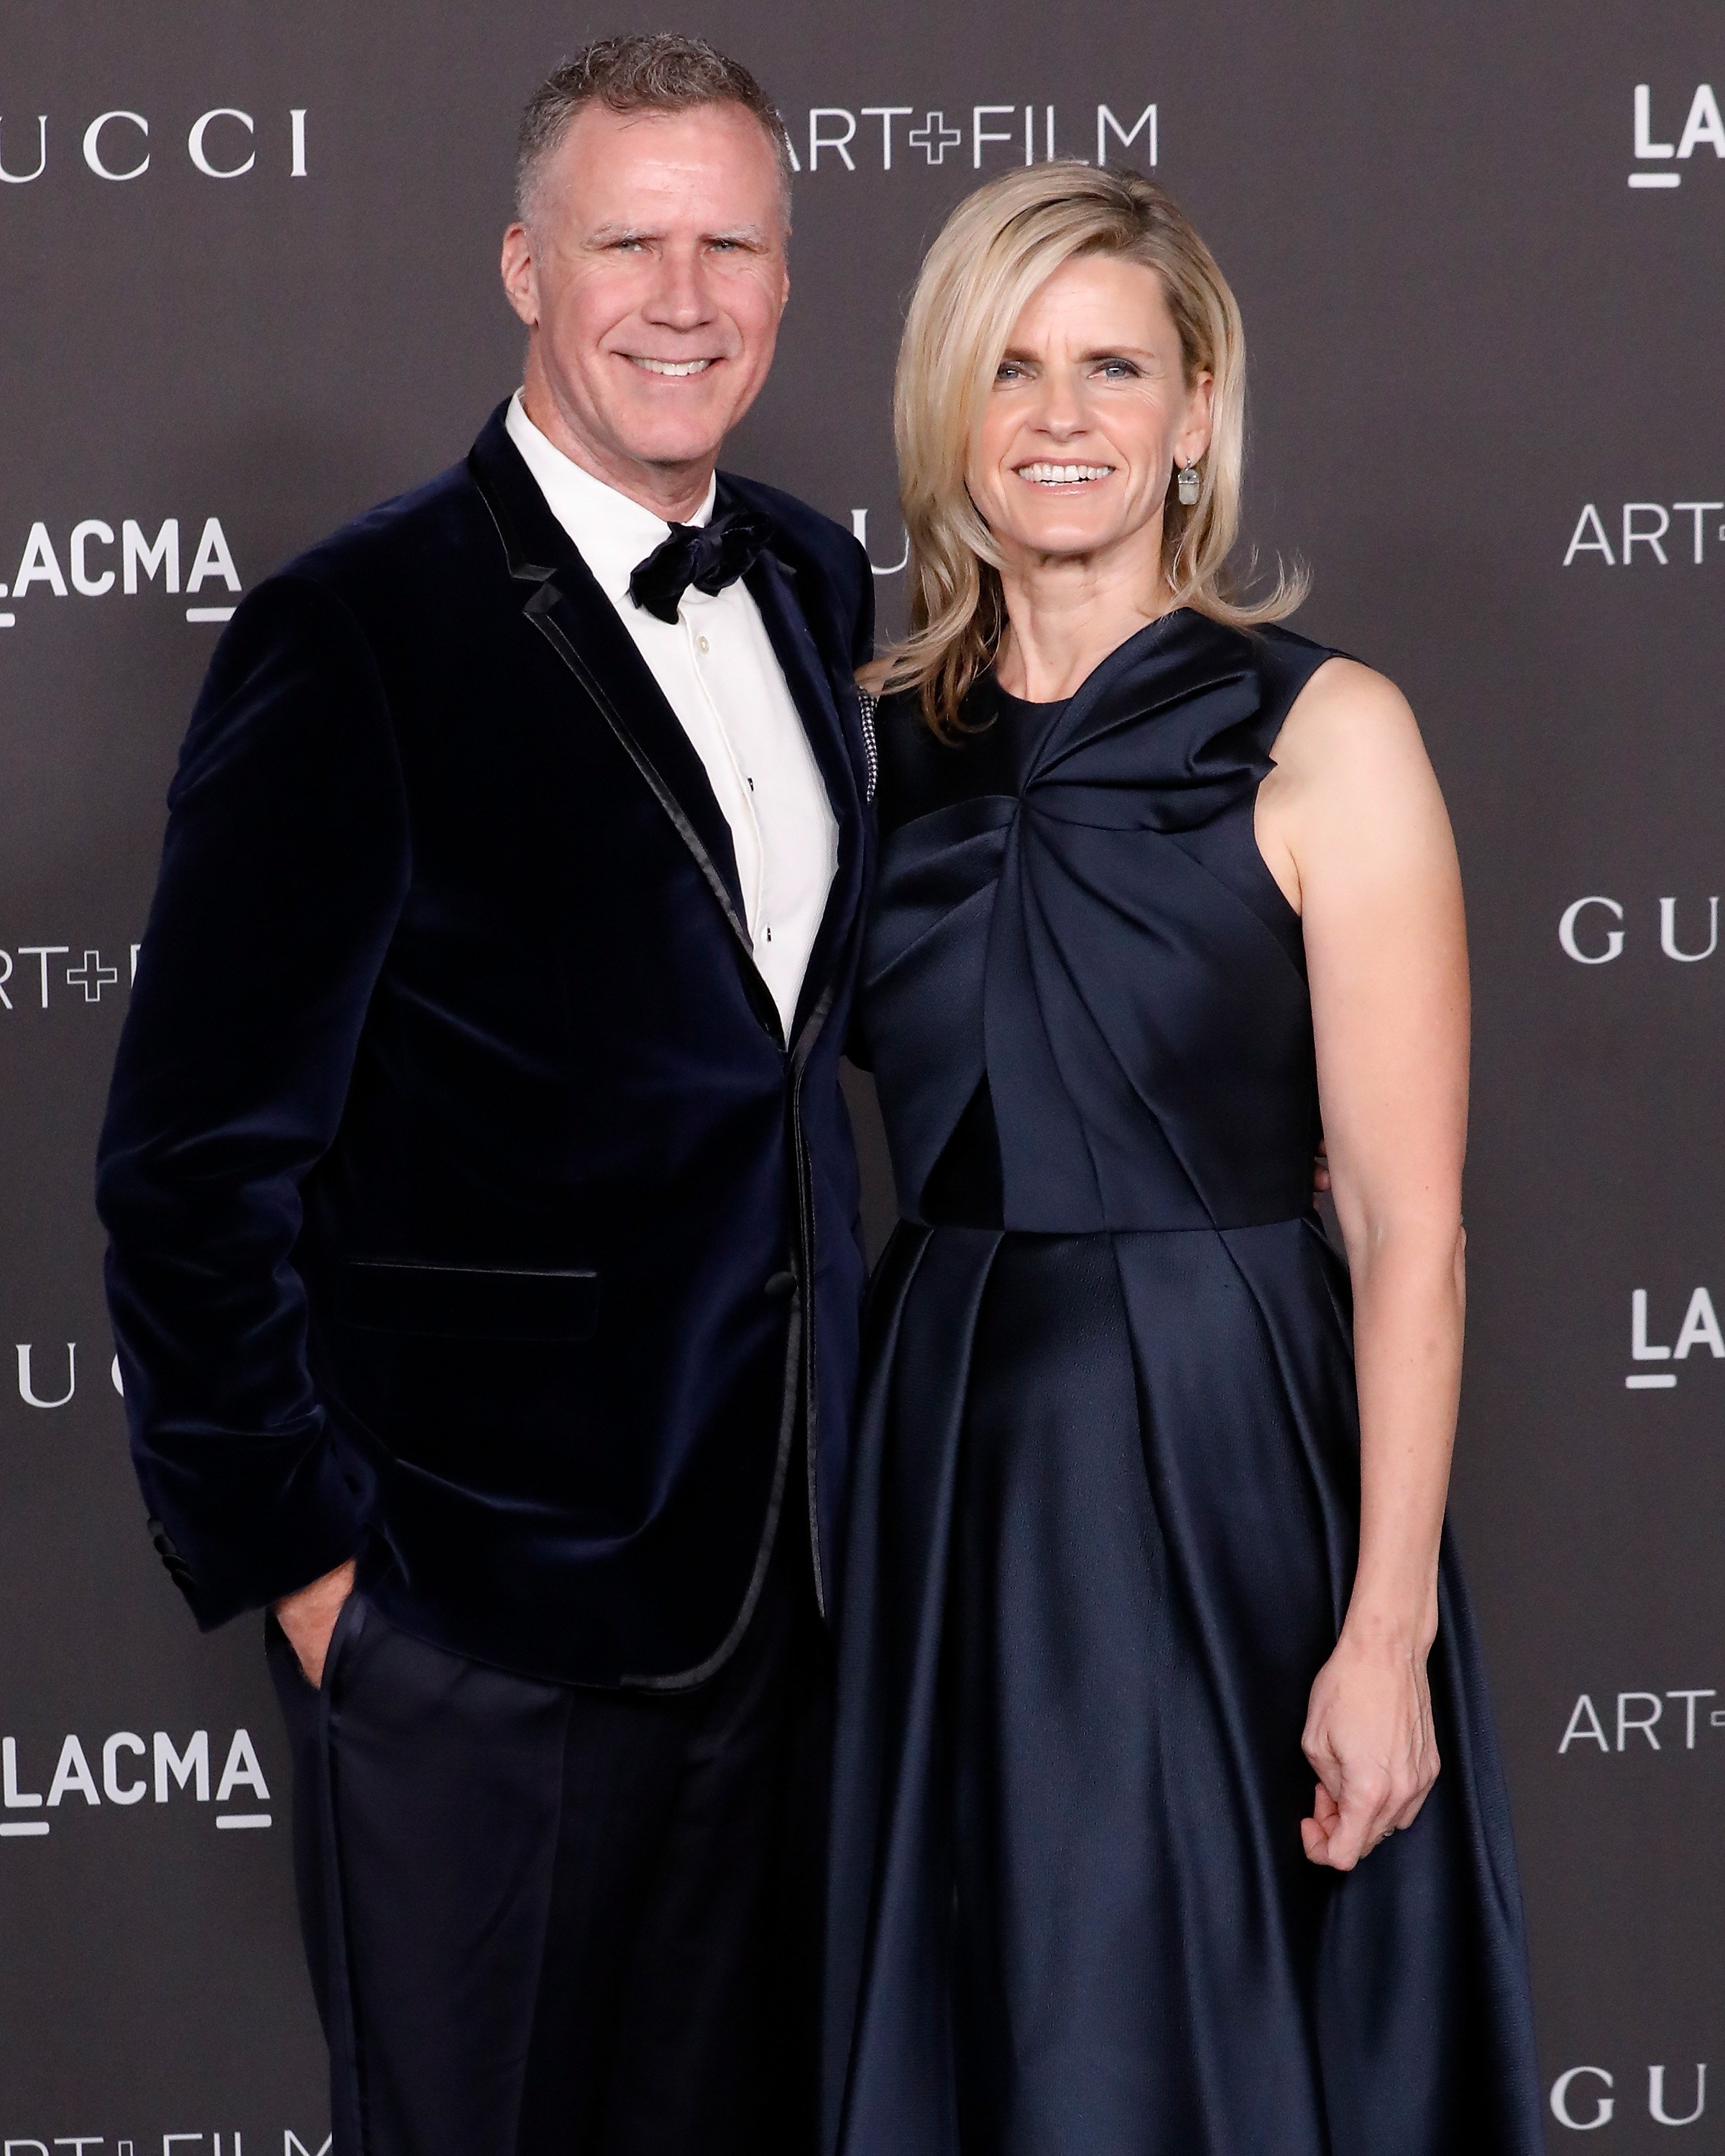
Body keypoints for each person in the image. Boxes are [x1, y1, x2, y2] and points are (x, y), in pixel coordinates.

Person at [96, 34, 874, 2156]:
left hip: (781, 1588)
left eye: (733, 242)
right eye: (631, 240)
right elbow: (187, 1169)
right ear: (524, 266)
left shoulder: (815, 584)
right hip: (472, 1614)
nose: (684, 294)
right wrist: (327, 1587)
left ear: (790, 283)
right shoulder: (353, 633)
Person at [824, 165, 1545, 2155]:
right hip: (947, 1455)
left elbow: (1411, 1231)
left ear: (1197, 411)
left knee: (1215, 2038)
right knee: (982, 2018)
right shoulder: (866, 740)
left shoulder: (1328, 737)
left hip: (1233, 1453)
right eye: (1015, 370)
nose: (1063, 418)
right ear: (949, 413)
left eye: (1115, 368)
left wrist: (1382, 1627)